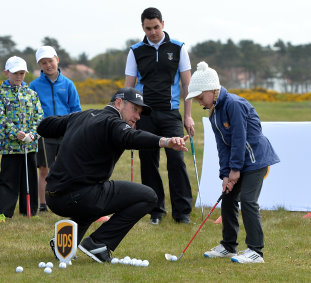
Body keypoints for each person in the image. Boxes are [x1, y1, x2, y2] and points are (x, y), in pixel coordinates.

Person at [37, 87, 189, 263]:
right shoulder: (113, 123)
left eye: (140, 113)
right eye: (135, 109)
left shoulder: (81, 116)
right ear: (118, 103)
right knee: (148, 196)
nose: (138, 117)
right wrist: (165, 141)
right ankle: (98, 243)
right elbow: (132, 137)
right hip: (80, 196)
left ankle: (65, 242)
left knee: (96, 196)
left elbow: (44, 127)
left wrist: (71, 124)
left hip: (54, 196)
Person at [186, 62, 280, 264]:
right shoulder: (214, 113)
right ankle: (228, 246)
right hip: (239, 163)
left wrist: (235, 170)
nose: (200, 103)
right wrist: (225, 174)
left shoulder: (234, 105)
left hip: (256, 160)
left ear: (212, 90)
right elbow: (223, 146)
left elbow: (238, 139)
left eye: (201, 97)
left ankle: (256, 251)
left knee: (247, 200)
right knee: (228, 198)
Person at [124, 7, 194, 224]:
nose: (153, 32)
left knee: (176, 160)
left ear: (163, 24)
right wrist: (129, 117)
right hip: (145, 115)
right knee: (148, 161)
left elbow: (187, 85)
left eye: (156, 27)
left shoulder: (179, 48)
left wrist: (188, 116)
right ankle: (155, 210)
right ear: (142, 27)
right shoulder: (135, 51)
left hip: (171, 114)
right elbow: (129, 87)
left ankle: (182, 213)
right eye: (148, 28)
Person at [30, 46, 81, 213]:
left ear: (57, 60)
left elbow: (75, 108)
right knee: (44, 169)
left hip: (66, 130)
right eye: (43, 63)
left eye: (50, 61)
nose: (48, 65)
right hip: (44, 132)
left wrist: (75, 128)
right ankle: (44, 204)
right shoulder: (34, 85)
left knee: (67, 167)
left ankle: (68, 200)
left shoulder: (68, 84)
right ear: (40, 65)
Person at [0, 56, 44, 222]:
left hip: (29, 146)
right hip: (10, 146)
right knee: (8, 179)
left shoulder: (32, 94)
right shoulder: (1, 96)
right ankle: (3, 213)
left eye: (22, 73)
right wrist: (16, 133)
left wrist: (32, 134)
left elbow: (39, 117)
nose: (18, 76)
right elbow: (1, 119)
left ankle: (29, 211)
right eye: (15, 73)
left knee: (29, 178)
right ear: (6, 73)